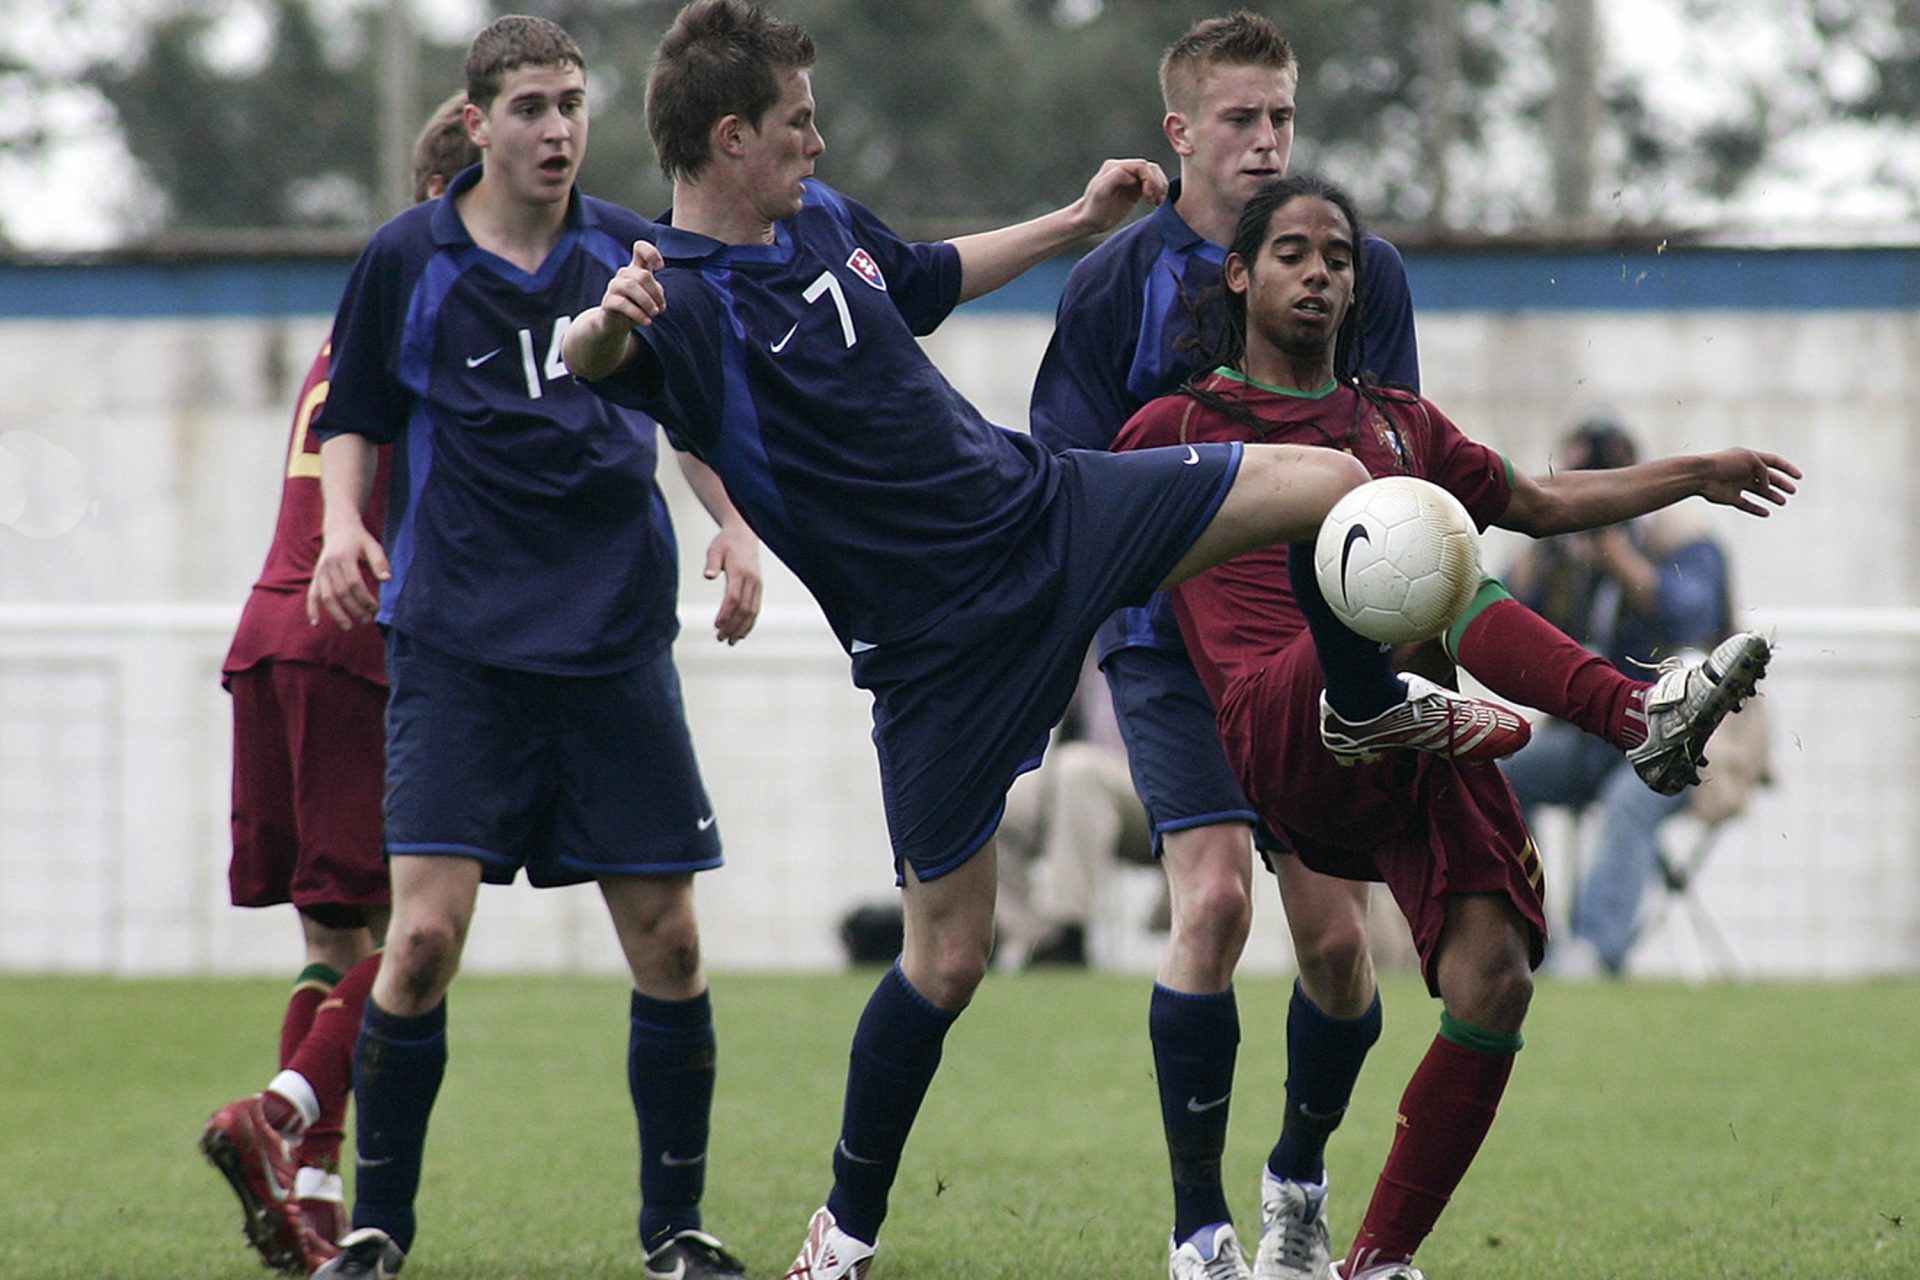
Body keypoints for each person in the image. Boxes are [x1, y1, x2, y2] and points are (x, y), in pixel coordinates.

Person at [561, 5, 1524, 1277]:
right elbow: (592, 358)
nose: (821, 136)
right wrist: (608, 322)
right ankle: (841, 1234)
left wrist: (1076, 224)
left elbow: (927, 278)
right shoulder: (672, 303)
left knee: (1337, 477)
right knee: (948, 954)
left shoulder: (827, 223)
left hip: (1042, 512)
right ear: (731, 138)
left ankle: (1368, 700)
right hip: (932, 650)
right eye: (799, 122)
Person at [1112, 173, 1795, 1280]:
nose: (1320, 272)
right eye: (1291, 252)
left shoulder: (1395, 420)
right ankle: (1630, 710)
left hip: (1415, 732)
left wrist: (1698, 472)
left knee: (1495, 976)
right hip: (1282, 723)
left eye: (1338, 255)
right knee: (1386, 529)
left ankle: (1374, 1257)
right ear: (1239, 274)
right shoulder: (1175, 425)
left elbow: (1543, 499)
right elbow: (1093, 544)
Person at [302, 17, 763, 1280]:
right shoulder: (410, 256)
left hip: (612, 640)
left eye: (572, 105)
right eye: (531, 109)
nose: (558, 130)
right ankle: (376, 1230)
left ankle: (674, 1230)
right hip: (459, 645)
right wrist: (344, 523)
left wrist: (731, 525)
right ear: (476, 122)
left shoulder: (630, 249)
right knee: (425, 940)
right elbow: (357, 411)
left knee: (667, 939)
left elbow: (691, 410)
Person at [1027, 16, 1417, 1276]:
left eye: (1282, 118)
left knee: (1343, 950)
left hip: (1315, 646)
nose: (1266, 142)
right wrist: (1043, 657)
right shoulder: (1107, 286)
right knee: (1209, 900)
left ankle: (1297, 1175)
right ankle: (1201, 1227)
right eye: (1241, 120)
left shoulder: (1365, 271)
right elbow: (1066, 486)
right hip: (1162, 643)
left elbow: (1392, 461)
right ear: (1179, 134)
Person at [200, 90, 477, 1278]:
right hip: (356, 637)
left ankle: (307, 1197)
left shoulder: (351, 320)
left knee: (338, 931)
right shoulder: (438, 307)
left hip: (271, 629)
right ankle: (278, 1110)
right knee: (427, 924)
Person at [1499, 417, 1761, 977]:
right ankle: (1525, 939)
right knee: (1499, 775)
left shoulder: (1681, 538)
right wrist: (1541, 566)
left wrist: (1622, 559)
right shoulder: (1565, 553)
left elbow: (1695, 617)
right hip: (1597, 736)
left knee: (1628, 801)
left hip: (1694, 744)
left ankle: (1595, 953)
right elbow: (1514, 617)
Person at [993, 657, 1155, 968]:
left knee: (1078, 771)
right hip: (1085, 787)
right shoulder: (1082, 644)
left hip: (1159, 789)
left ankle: (1068, 934)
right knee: (996, 809)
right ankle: (1032, 941)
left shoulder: (1159, 624)